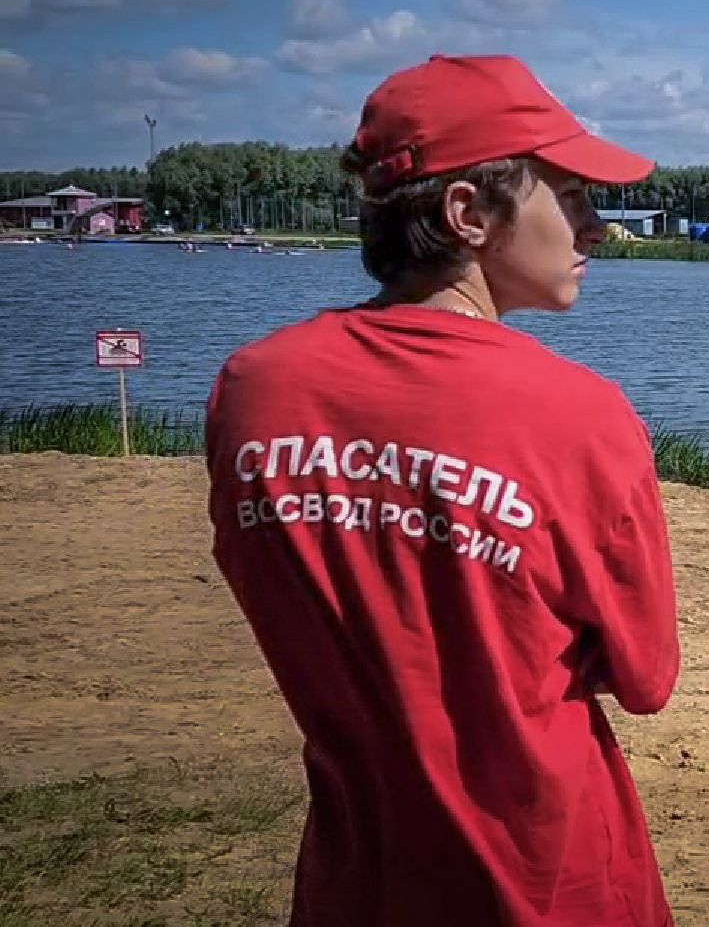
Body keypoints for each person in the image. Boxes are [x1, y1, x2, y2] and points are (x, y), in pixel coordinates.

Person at [204, 54, 681, 926]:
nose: (597, 228)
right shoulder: (578, 415)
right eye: (570, 195)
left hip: (359, 879)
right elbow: (646, 677)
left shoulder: (255, 389)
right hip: (550, 883)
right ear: (468, 214)